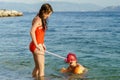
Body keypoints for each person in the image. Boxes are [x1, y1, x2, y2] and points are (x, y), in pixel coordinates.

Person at [29, 3, 53, 78]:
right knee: (42, 69)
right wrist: (37, 45)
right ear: (44, 12)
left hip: (36, 45)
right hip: (36, 46)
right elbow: (32, 31)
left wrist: (42, 43)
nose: (49, 16)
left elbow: (38, 33)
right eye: (48, 14)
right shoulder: (38, 19)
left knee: (37, 67)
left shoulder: (38, 18)